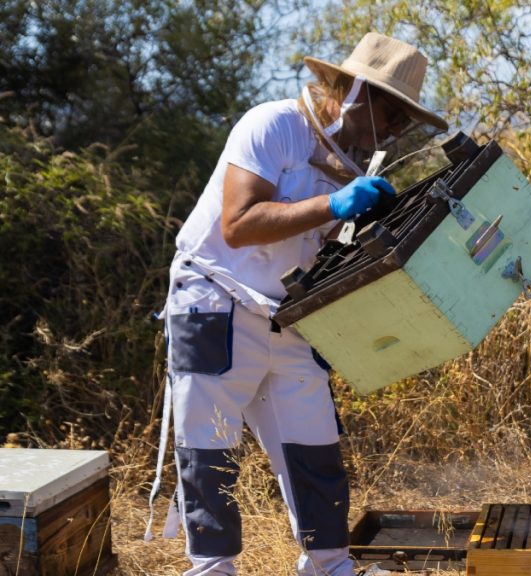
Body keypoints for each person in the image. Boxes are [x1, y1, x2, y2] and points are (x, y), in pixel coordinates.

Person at [149, 32, 448, 576]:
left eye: (408, 116)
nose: (400, 126)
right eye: (392, 109)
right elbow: (237, 226)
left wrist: (360, 231)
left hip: (287, 314)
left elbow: (317, 252)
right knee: (209, 449)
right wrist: (333, 203)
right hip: (214, 299)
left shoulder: (357, 165)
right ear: (354, 88)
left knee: (314, 448)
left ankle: (330, 565)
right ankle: (213, 570)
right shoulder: (274, 125)